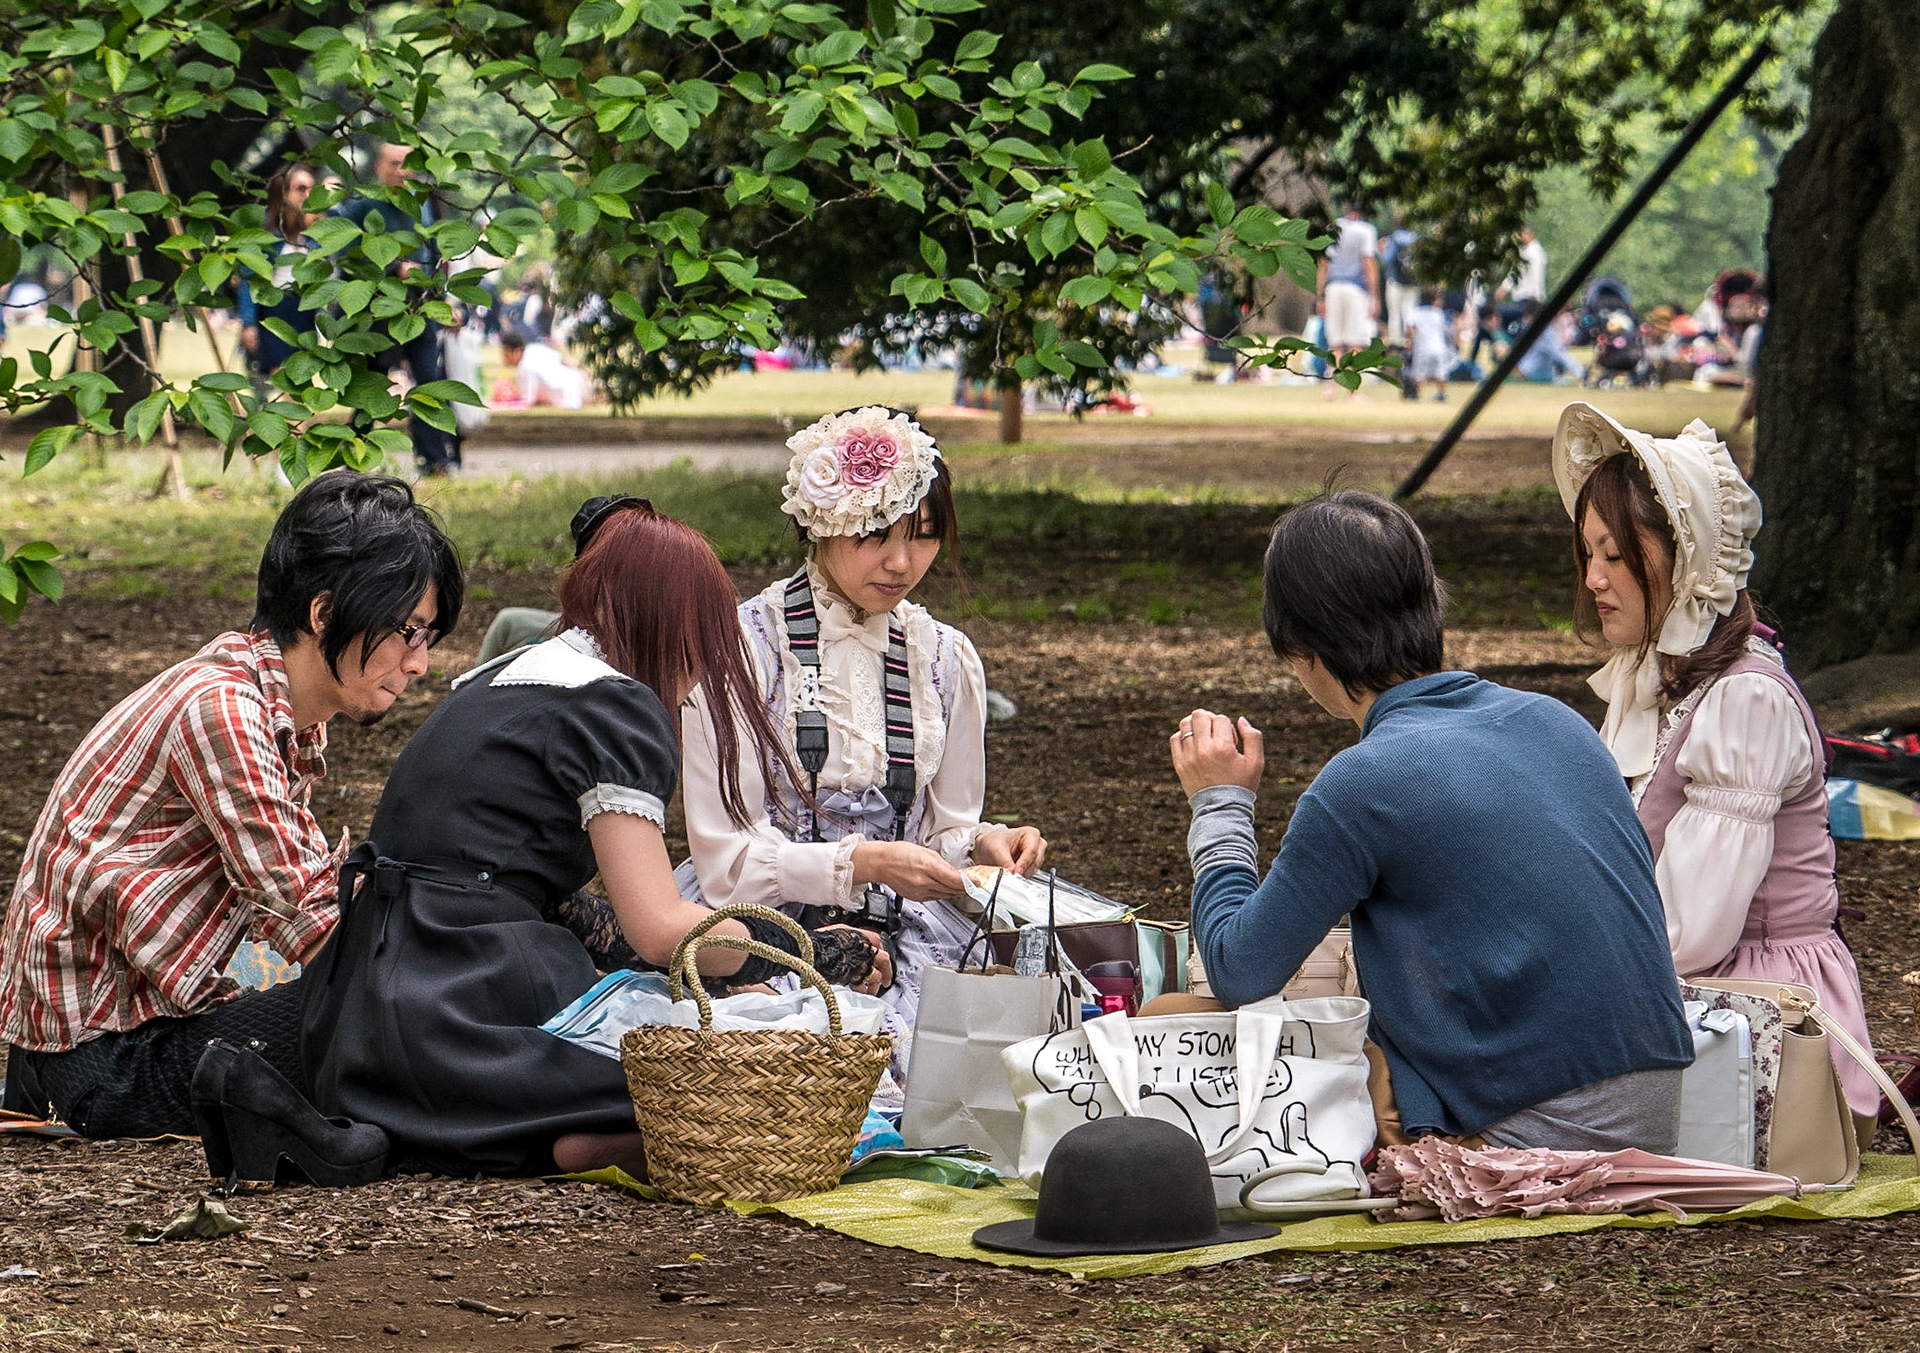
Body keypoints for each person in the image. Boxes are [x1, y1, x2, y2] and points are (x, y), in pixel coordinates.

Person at [299, 499, 888, 1179]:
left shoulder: (502, 678)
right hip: (468, 1010)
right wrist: (805, 951)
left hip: (359, 1024)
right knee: (748, 1075)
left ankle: (565, 1130)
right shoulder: (613, 705)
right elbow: (662, 928)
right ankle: (604, 1125)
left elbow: (544, 899)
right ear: (677, 626)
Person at [1173, 489, 1693, 1151]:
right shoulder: (1558, 721)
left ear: (1301, 650)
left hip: (1532, 1128)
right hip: (1657, 1113)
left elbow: (1239, 970)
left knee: (1175, 1022)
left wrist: (1221, 801)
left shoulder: (1364, 781)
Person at [0, 472, 463, 1141]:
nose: (419, 664)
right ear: (325, 613)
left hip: (127, 1026)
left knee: (395, 1007)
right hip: (103, 1064)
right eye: (407, 631)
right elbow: (312, 919)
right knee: (387, 1017)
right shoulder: (224, 710)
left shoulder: (269, 705)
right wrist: (463, 971)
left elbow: (304, 896)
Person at [676, 407, 1050, 1066]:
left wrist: (985, 843)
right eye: (875, 533)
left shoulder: (943, 657)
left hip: (910, 924)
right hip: (771, 927)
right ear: (823, 521)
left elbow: (944, 834)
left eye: (924, 537)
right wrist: (860, 865)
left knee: (1006, 1057)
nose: (902, 562)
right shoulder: (742, 648)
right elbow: (725, 861)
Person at [1555, 402, 1878, 1132]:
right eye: (1589, 554)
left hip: (1762, 1015)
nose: (1595, 579)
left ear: (1686, 556)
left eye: (1616, 553)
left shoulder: (1745, 702)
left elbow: (1688, 933)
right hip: (1689, 989)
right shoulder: (1657, 683)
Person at [336, 142, 459, 474]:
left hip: (419, 311)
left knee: (428, 382)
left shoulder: (425, 207)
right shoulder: (364, 209)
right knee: (374, 386)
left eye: (409, 163)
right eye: (394, 163)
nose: (403, 170)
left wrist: (443, 302)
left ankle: (433, 459)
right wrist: (394, 268)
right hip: (379, 316)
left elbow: (436, 259)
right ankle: (353, 458)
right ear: (379, 169)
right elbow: (348, 259)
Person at [237, 162, 325, 384]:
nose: (307, 195)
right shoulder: (268, 236)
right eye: (301, 188)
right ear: (284, 193)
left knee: (302, 381)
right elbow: (249, 280)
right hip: (275, 311)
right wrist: (248, 323)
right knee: (285, 381)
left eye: (311, 189)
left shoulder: (313, 238)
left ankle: (297, 420)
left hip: (303, 313)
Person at [1315, 203, 1379, 398]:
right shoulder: (1366, 230)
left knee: (1335, 342)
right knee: (1355, 343)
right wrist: (1374, 295)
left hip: (1333, 287)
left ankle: (1332, 388)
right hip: (1355, 288)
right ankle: (1353, 390)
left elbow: (1323, 264)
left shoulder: (1333, 228)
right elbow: (1367, 262)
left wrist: (1320, 296)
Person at [499, 330, 587, 409]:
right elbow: (563, 360)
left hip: (567, 397)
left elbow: (527, 401)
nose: (504, 358)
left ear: (516, 351)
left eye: (506, 354)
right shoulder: (534, 349)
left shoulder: (525, 367)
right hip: (577, 381)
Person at [1402, 286, 1453, 402]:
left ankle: (1417, 394)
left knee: (1419, 374)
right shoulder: (1439, 313)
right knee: (1440, 373)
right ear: (1434, 300)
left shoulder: (1415, 312)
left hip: (1422, 349)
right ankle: (1442, 394)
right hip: (1439, 348)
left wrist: (1409, 344)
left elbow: (1410, 330)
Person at [1378, 218, 1420, 348]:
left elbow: (1386, 260)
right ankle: (1411, 344)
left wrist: (1379, 250)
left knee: (1395, 315)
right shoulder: (1416, 239)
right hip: (1413, 284)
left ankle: (1396, 345)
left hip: (1394, 282)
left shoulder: (1393, 239)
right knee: (1410, 313)